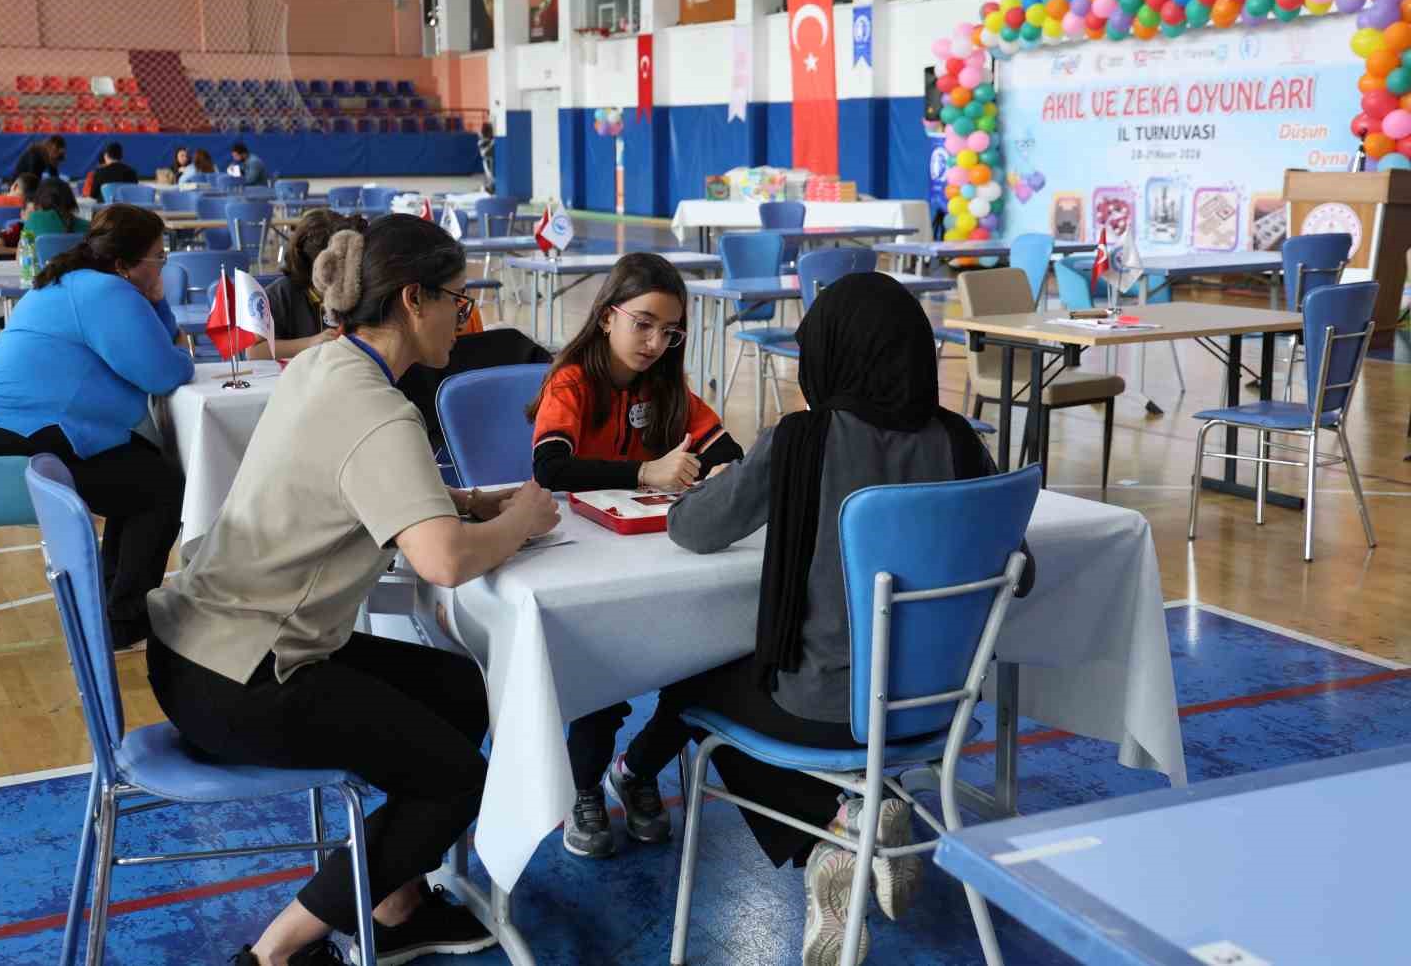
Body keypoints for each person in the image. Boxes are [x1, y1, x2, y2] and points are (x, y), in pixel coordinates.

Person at [147, 214, 559, 965]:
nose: (464, 324)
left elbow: (352, 484)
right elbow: (442, 562)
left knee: (456, 687)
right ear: (412, 300)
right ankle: (275, 953)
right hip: (242, 676)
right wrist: (523, 517)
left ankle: (396, 900)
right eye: (457, 303)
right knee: (455, 782)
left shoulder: (328, 366)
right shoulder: (380, 409)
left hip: (198, 646)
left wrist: (465, 502)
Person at [610, 273, 1036, 964]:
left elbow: (695, 532)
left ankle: (832, 830)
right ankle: (866, 810)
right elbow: (1021, 570)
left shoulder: (803, 440)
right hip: (937, 714)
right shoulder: (960, 442)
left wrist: (718, 487)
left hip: (827, 706)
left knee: (694, 681)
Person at [524, 251, 743, 859]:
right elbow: (551, 467)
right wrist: (646, 469)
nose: (654, 342)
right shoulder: (572, 382)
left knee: (713, 659)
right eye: (642, 323)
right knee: (600, 675)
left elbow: (731, 452)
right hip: (582, 558)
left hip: (653, 557)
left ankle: (638, 769)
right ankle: (582, 787)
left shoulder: (667, 387)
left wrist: (720, 467)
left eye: (670, 332)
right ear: (606, 317)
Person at [0, 205, 195, 650]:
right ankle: (123, 621)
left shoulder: (72, 282)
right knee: (158, 487)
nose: (164, 264)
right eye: (157, 256)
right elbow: (164, 371)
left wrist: (155, 302)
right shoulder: (106, 294)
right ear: (123, 264)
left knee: (139, 468)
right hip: (3, 441)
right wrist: (165, 318)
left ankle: (110, 609)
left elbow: (157, 352)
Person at [249, 208, 362, 360]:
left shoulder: (358, 286)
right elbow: (254, 352)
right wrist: (309, 343)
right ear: (311, 266)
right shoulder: (281, 294)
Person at [21, 178, 89, 243]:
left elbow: (24, 254)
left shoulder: (33, 219)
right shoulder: (87, 226)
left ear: (40, 199)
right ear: (70, 200)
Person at [477, 123, 495, 194]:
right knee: (490, 174)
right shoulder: (481, 141)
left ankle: (490, 187)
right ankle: (489, 187)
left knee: (491, 175)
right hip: (486, 159)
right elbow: (484, 152)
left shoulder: (491, 139)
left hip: (490, 159)